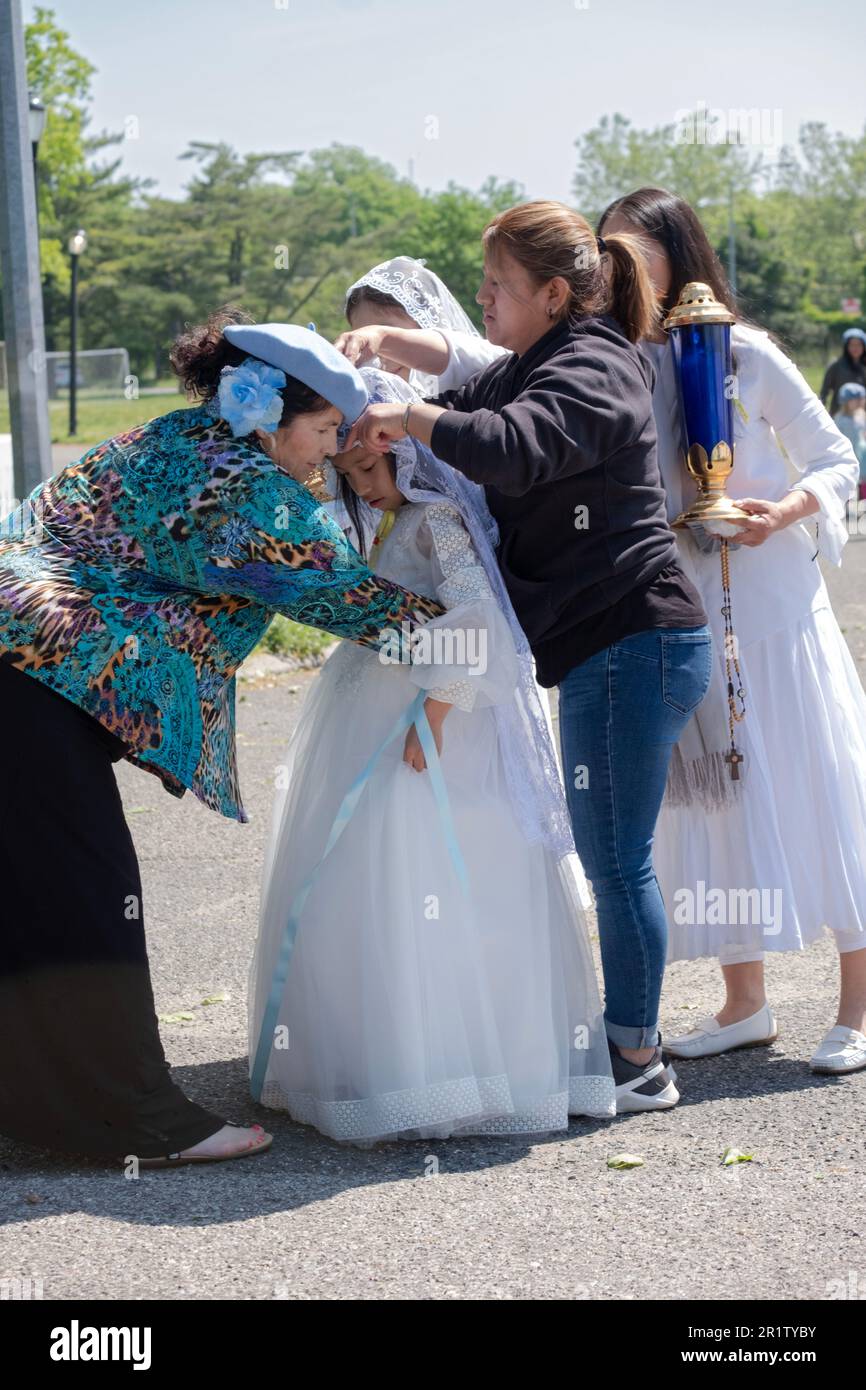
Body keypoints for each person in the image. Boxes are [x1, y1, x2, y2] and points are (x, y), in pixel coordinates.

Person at [0, 311, 446, 1167]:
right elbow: (345, 599)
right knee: (89, 893)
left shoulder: (177, 434)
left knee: (31, 892)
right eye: (322, 432)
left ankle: (37, 1105)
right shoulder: (249, 491)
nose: (326, 455)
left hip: (20, 665)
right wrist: (480, 637)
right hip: (32, 679)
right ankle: (138, 1124)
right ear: (272, 412)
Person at [348, 200, 713, 1113]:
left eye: (498, 287)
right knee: (614, 855)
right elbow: (463, 396)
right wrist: (382, 378)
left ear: (555, 293)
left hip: (637, 641)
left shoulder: (594, 365)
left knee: (616, 860)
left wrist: (412, 417)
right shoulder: (537, 359)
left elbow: (510, 448)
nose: (483, 300)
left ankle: (638, 1060)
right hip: (613, 645)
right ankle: (631, 1041)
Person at [248, 367, 615, 1143]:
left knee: (426, 868)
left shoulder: (436, 520)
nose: (363, 485)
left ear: (403, 456)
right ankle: (378, 1058)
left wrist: (438, 711)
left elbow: (477, 618)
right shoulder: (377, 525)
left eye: (371, 468)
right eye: (347, 473)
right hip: (367, 702)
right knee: (363, 876)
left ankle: (454, 1066)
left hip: (431, 717)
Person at [599, 187, 866, 1074]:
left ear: (677, 255)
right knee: (717, 794)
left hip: (777, 609)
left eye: (632, 252)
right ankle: (744, 1002)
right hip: (686, 613)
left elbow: (835, 456)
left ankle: (856, 1008)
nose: (616, 269)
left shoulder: (743, 353)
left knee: (817, 785)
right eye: (605, 254)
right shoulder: (620, 362)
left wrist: (781, 510)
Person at [820, 327, 866, 417]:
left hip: (861, 418)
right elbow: (824, 393)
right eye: (852, 345)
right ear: (846, 347)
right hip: (839, 415)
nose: (855, 348)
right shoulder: (836, 366)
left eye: (859, 345)